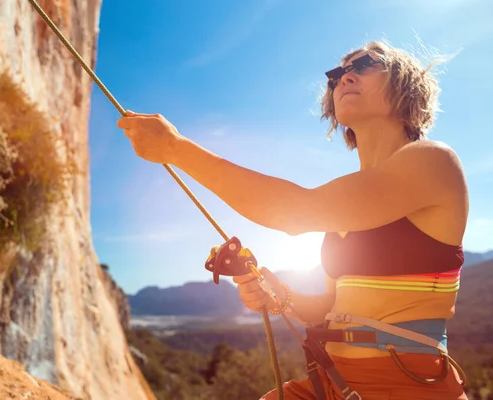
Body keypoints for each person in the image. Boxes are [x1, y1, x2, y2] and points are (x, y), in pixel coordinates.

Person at [117, 40, 468, 400]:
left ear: (404, 83)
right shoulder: (345, 210)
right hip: (332, 383)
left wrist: (176, 149)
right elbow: (330, 311)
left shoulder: (433, 162)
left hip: (409, 385)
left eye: (363, 64)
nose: (344, 76)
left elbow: (295, 211)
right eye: (336, 74)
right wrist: (279, 296)